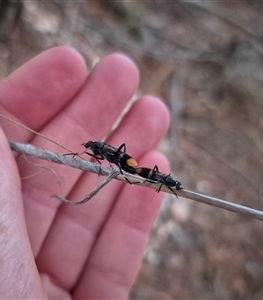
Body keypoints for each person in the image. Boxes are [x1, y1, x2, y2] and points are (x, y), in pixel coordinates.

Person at [0, 46, 170, 299]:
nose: (91, 148)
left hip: (125, 162)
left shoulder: (105, 152)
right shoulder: (99, 150)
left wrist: (114, 163)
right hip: (124, 162)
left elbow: (109, 157)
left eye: (92, 147)